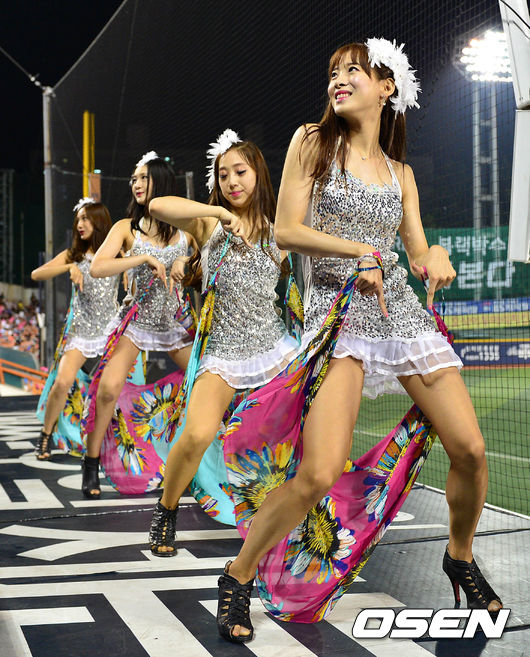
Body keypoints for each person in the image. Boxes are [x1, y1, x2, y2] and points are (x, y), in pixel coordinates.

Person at [218, 38, 502, 643]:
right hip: (337, 314)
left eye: (353, 70)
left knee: (471, 450)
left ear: (386, 87)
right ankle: (237, 576)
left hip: (398, 312)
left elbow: (417, 252)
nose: (338, 80)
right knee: (318, 474)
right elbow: (287, 231)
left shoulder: (402, 174)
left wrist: (435, 255)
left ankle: (459, 556)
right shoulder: (311, 142)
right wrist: (360, 251)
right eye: (333, 72)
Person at [146, 130, 301, 555]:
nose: (232, 181)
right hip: (222, 352)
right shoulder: (209, 223)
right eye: (223, 174)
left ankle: (287, 521)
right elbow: (157, 206)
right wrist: (215, 210)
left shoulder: (281, 232)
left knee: (298, 437)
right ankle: (167, 508)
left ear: (259, 174)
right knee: (196, 434)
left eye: (241, 172)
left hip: (275, 349)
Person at [82, 152, 196, 498]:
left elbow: (203, 263)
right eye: (134, 179)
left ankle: (198, 465)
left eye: (143, 177)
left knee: (202, 387)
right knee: (108, 389)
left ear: (161, 181)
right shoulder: (126, 229)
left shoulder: (187, 231)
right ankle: (91, 462)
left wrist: (186, 260)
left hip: (174, 323)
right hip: (136, 322)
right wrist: (141, 258)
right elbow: (98, 267)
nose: (136, 184)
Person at [33, 199, 117, 459]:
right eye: (78, 219)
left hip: (111, 331)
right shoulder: (74, 255)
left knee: (115, 391)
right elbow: (37, 274)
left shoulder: (116, 251)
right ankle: (45, 435)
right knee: (61, 383)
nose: (80, 224)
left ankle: (112, 446)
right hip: (81, 331)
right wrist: (69, 266)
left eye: (86, 219)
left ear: (99, 221)